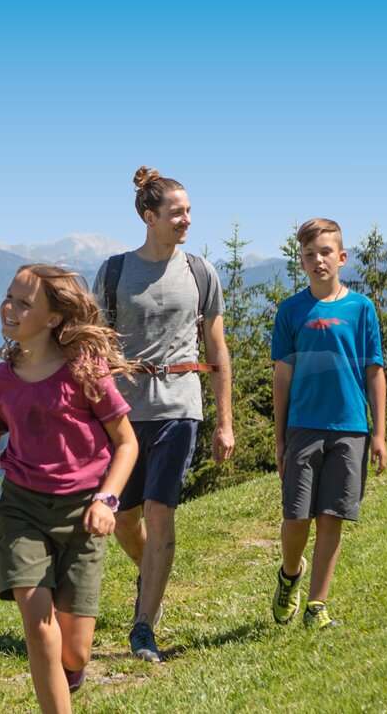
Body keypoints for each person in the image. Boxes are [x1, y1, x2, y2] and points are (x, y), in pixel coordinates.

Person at [0, 264, 139, 713]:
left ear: (55, 318)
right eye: (9, 297)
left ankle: (70, 675)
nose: (10, 307)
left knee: (74, 651)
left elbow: (126, 443)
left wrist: (106, 499)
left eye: (25, 303)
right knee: (38, 624)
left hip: (83, 514)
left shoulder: (85, 370)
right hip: (22, 510)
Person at [94, 166, 232, 663]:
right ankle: (150, 571)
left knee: (159, 513)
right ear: (149, 216)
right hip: (123, 415)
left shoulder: (200, 273)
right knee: (125, 519)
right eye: (177, 212)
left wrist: (224, 421)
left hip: (180, 407)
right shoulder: (113, 273)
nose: (187, 220)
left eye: (189, 211)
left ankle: (143, 628)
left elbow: (217, 347)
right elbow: (95, 345)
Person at [269, 217, 387, 629]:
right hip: (303, 426)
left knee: (332, 516)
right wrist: (280, 438)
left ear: (341, 257)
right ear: (300, 262)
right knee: (296, 517)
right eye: (308, 255)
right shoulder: (291, 311)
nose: (317, 260)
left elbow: (375, 371)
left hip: (351, 428)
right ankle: (289, 574)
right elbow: (282, 378)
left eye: (324, 253)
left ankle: (317, 605)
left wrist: (379, 434)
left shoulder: (362, 309)